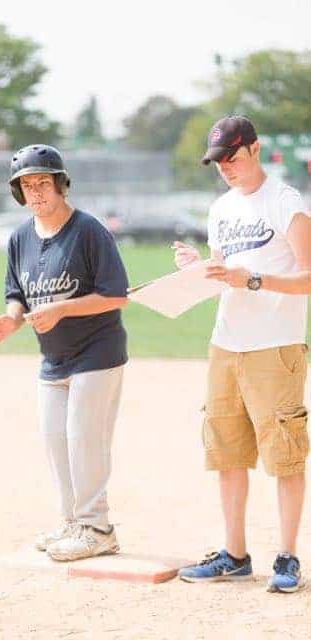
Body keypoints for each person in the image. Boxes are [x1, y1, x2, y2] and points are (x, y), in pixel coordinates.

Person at [175, 116, 311, 593]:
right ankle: (234, 554)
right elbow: (224, 279)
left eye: (232, 158)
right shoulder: (221, 209)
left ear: (254, 149)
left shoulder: (285, 202)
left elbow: (309, 276)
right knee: (227, 453)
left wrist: (252, 279)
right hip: (226, 343)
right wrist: (199, 269)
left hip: (274, 346)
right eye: (218, 162)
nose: (226, 168)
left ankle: (288, 556)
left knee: (285, 455)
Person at [0, 144, 129, 561]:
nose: (36, 192)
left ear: (60, 185)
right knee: (56, 441)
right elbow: (17, 294)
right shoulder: (20, 237)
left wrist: (62, 309)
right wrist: (12, 320)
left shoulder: (88, 231)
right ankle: (73, 522)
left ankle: (98, 528)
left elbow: (116, 295)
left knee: (84, 440)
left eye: (43, 183)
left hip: (97, 353)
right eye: (27, 185)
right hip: (53, 358)